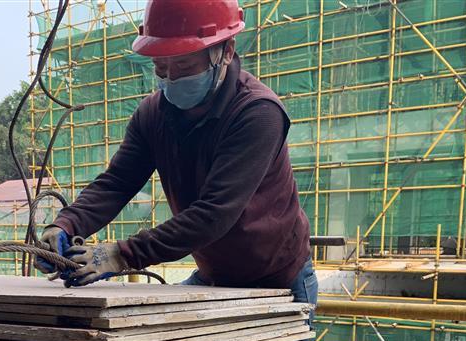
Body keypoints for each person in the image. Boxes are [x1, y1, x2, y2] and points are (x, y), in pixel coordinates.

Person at [36, 0, 318, 316]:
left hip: (278, 280)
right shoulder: (152, 115)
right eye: (161, 67)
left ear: (226, 51)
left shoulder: (257, 113)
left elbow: (215, 213)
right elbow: (117, 183)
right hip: (213, 276)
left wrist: (123, 254)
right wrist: (66, 223)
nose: (170, 78)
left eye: (183, 66)